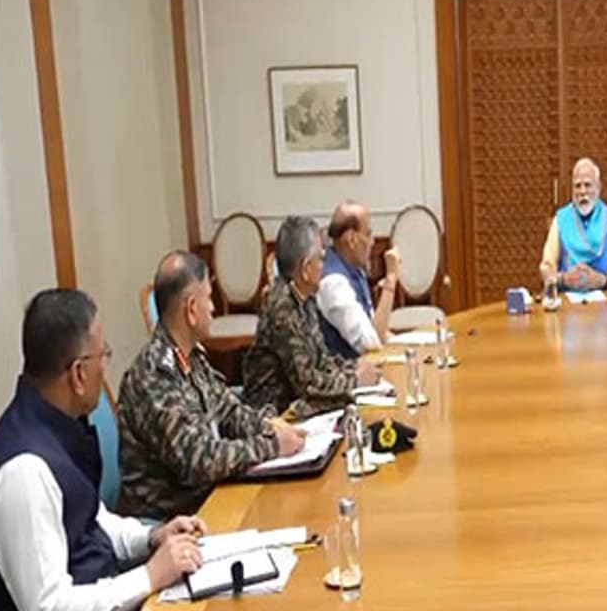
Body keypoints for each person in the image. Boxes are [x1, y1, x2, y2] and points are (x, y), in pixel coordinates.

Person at [0, 289, 210, 610]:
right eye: (102, 355)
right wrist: (149, 576)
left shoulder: (60, 425)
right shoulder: (24, 471)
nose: (105, 367)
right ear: (78, 374)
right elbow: (48, 606)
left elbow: (91, 518)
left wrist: (151, 538)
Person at [117, 251, 306, 520]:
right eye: (209, 298)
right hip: (171, 523)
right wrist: (272, 446)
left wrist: (270, 427)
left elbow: (230, 412)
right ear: (191, 308)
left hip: (207, 500)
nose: (214, 308)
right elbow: (198, 460)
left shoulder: (191, 356)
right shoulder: (154, 375)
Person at [243, 215, 381, 419]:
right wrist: (355, 380)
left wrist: (354, 367)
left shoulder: (305, 296)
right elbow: (306, 383)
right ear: (306, 269)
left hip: (300, 405)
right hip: (275, 413)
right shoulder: (282, 307)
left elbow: (321, 360)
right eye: (321, 258)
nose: (324, 265)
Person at [317, 200, 402, 359]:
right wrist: (391, 279)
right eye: (368, 234)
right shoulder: (334, 284)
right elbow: (370, 343)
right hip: (345, 377)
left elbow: (373, 328)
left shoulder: (354, 268)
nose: (373, 241)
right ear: (352, 240)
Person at [539, 157, 607, 291]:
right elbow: (546, 269)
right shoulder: (560, 219)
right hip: (568, 299)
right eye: (577, 186)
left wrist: (602, 280)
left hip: (606, 299)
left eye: (588, 185)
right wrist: (563, 279)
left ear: (599, 187)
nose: (582, 192)